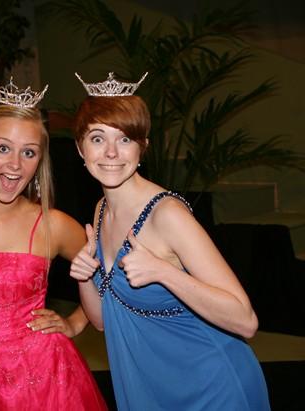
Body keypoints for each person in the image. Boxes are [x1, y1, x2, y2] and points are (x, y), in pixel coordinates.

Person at [69, 71, 270, 410]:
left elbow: (245, 320)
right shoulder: (102, 209)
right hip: (153, 385)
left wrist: (164, 272)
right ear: (80, 148)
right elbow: (103, 322)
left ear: (143, 147)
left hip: (212, 386)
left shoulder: (167, 215)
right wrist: (85, 276)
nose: (111, 153)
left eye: (125, 139)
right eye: (98, 138)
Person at [0, 78, 108, 410]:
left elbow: (109, 273)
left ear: (39, 161)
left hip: (45, 388)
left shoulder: (52, 224)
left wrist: (75, 322)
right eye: (3, 148)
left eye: (28, 152)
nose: (15, 164)